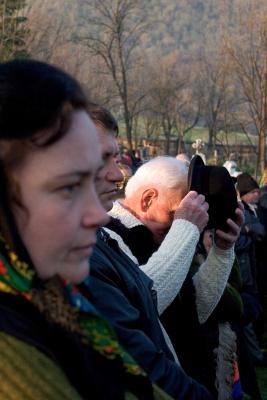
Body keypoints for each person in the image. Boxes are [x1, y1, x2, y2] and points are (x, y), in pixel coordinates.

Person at [0, 59, 165, 400]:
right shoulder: (14, 360)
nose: (98, 215)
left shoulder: (55, 304)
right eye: (68, 188)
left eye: (91, 180)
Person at [86, 139, 242, 398]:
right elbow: (144, 302)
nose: (182, 222)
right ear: (147, 200)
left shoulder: (167, 236)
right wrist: (187, 228)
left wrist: (222, 250)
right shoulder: (110, 234)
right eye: (176, 214)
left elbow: (195, 308)